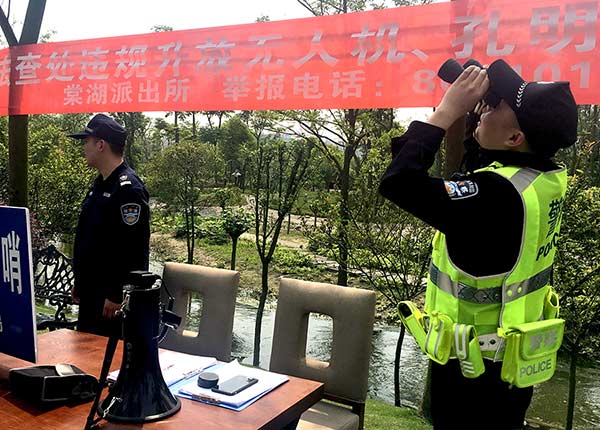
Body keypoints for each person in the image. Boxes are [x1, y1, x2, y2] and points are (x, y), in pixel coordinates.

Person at [379, 59, 577, 430]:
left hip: (472, 379)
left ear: (515, 139)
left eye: (495, 105)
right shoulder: (541, 179)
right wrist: (482, 115)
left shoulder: (494, 197)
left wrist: (447, 110)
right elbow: (481, 167)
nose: (484, 109)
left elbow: (399, 182)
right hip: (510, 367)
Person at [69, 113, 150, 337]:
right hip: (91, 294)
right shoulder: (99, 184)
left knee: (104, 364)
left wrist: (117, 295)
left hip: (110, 302)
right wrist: (80, 282)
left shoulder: (128, 189)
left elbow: (134, 248)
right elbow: (90, 239)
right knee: (83, 360)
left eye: (86, 142)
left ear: (101, 144)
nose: (84, 147)